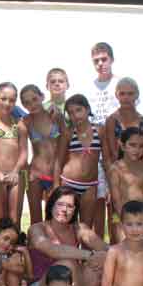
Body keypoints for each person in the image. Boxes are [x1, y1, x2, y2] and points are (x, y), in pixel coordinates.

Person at [27, 186, 109, 286]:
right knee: (67, 264)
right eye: (60, 204)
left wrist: (104, 256)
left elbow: (105, 249)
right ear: (51, 205)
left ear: (75, 210)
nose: (64, 210)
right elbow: (52, 250)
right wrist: (90, 255)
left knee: (98, 267)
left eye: (70, 206)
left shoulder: (78, 228)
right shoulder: (36, 229)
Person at [84, 43, 121, 238]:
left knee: (115, 201)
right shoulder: (88, 87)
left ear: (112, 59)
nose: (100, 64)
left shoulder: (121, 85)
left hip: (116, 151)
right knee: (98, 200)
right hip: (95, 151)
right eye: (96, 61)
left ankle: (116, 244)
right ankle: (99, 247)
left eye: (104, 59)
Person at [0, 82, 29, 226]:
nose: (7, 103)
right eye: (3, 99)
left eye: (12, 100)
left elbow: (24, 152)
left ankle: (15, 241)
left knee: (15, 220)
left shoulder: (19, 124)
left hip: (16, 176)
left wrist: (15, 172)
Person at [55, 94, 103, 229]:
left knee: (85, 227)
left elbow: (107, 160)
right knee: (66, 226)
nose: (75, 115)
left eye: (78, 110)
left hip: (90, 185)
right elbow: (58, 161)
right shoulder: (68, 133)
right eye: (71, 113)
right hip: (69, 183)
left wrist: (110, 186)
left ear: (88, 109)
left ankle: (85, 244)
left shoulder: (100, 131)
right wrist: (55, 186)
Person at [21, 84, 65, 224]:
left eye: (34, 99)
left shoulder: (56, 116)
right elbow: (21, 150)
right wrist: (27, 171)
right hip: (36, 175)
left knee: (55, 219)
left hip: (56, 174)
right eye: (27, 102)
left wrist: (58, 178)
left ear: (42, 97)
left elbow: (65, 143)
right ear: (23, 105)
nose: (32, 104)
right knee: (36, 220)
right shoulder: (26, 122)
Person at [107, 127, 143, 242]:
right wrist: (125, 221)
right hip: (120, 217)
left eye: (141, 146)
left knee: (141, 248)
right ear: (123, 146)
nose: (137, 150)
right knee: (123, 247)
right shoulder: (115, 168)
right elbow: (116, 200)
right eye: (132, 145)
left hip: (142, 218)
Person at [102, 77, 143, 164]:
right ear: (116, 95)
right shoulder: (112, 121)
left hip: (140, 169)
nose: (126, 97)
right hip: (118, 169)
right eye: (122, 94)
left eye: (130, 93)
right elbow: (108, 154)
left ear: (137, 94)